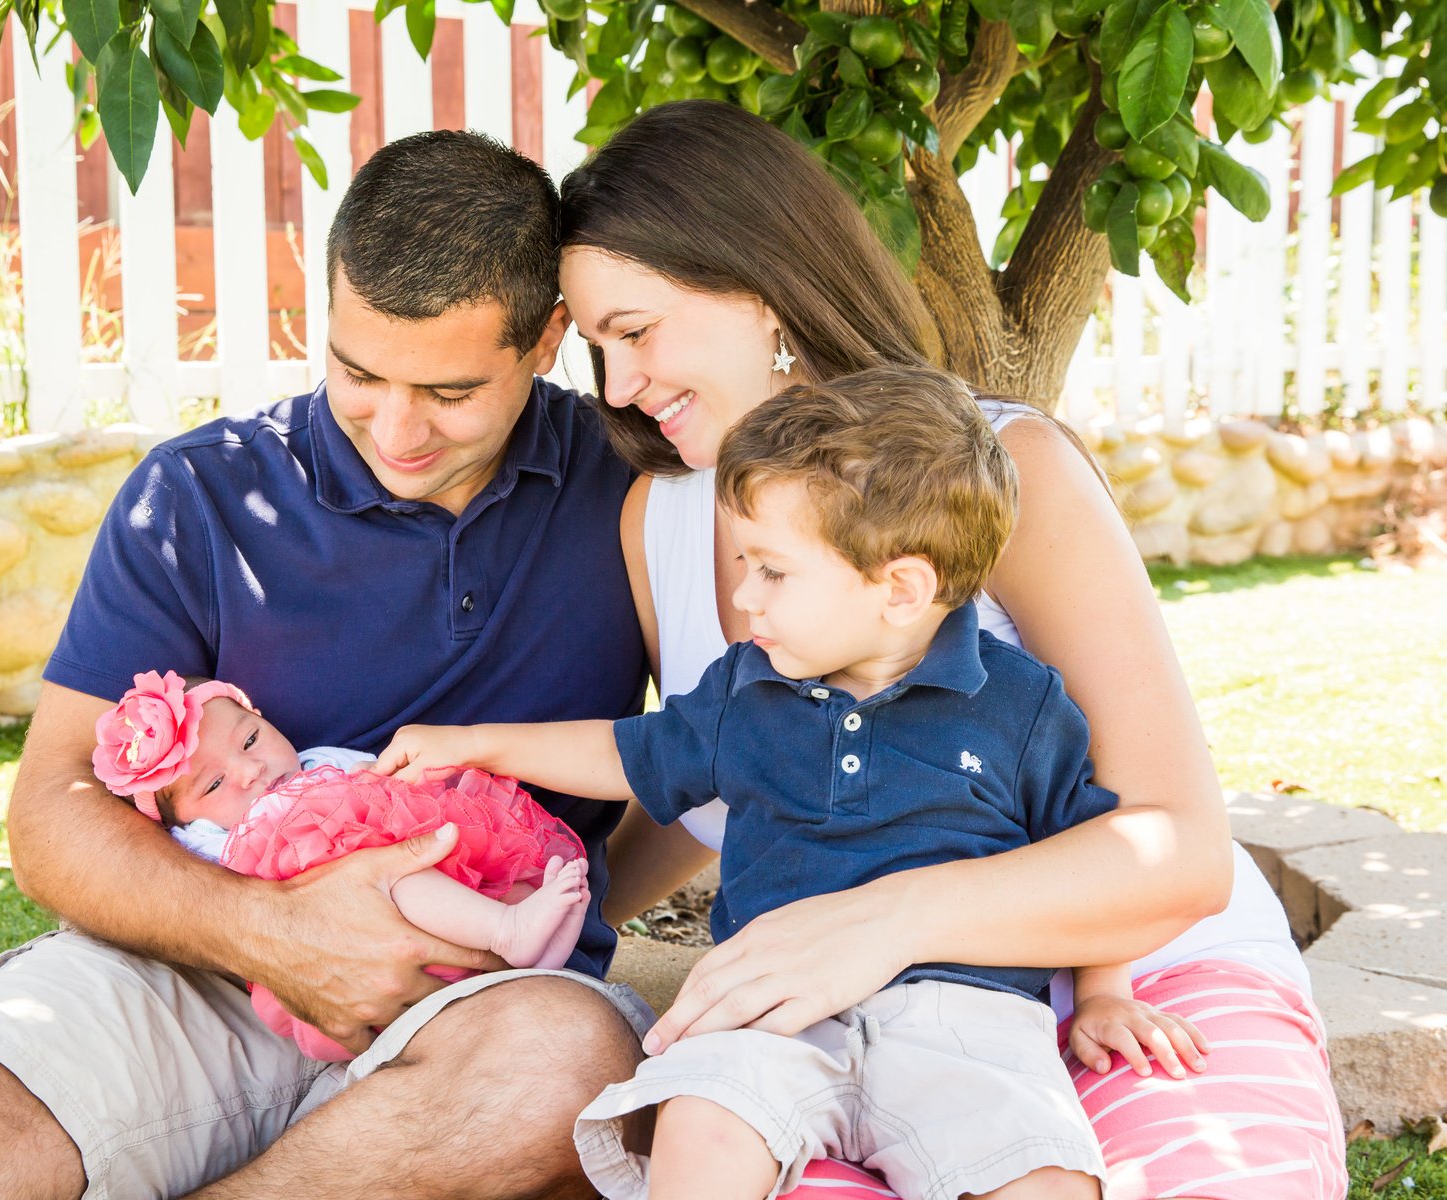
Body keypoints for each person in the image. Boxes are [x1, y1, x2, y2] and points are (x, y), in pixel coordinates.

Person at [0, 130, 656, 1200]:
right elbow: (52, 812)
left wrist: (568, 887)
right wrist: (280, 934)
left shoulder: (631, 486)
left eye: (448, 391)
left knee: (566, 1070)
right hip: (206, 970)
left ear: (547, 338)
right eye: (358, 372)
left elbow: (725, 746)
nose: (397, 429)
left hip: (485, 989)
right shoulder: (198, 497)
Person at [556, 100, 1346, 1200]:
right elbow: (708, 773)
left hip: (1133, 988)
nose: (616, 387)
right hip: (845, 1033)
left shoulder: (1008, 466)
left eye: (635, 331)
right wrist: (550, 919)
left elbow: (1180, 850)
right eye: (596, 347)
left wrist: (882, 922)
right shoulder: (663, 517)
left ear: (763, 289)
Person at [377, 368, 1209, 1200]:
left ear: (901, 589)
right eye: (745, 565)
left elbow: (1084, 851)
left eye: (772, 571)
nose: (745, 596)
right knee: (699, 1121)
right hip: (769, 1007)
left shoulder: (1021, 704)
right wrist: (481, 745)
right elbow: (629, 751)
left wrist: (1104, 994)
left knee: (1041, 1172)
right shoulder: (747, 687)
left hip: (963, 1019)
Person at [91, 668, 591, 1061]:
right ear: (185, 825)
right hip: (346, 943)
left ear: (262, 718)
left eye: (250, 740)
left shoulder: (317, 763)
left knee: (466, 861)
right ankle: (507, 931)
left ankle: (534, 951)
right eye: (214, 784)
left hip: (435, 907)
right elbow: (212, 891)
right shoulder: (210, 840)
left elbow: (377, 777)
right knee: (395, 876)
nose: (250, 770)